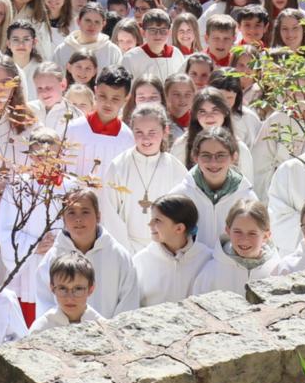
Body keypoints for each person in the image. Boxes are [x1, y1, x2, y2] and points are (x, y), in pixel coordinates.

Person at [31, 187, 140, 320]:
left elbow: (128, 303)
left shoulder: (118, 256)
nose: (78, 219)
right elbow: (45, 305)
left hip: (110, 336)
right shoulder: (52, 258)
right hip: (64, 337)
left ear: (98, 216)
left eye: (85, 212)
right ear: (63, 218)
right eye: (71, 212)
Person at [100, 103, 190, 252]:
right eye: (139, 132)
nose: (145, 138)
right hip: (126, 247)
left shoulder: (175, 168)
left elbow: (182, 212)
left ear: (165, 131)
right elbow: (110, 214)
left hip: (166, 248)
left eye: (152, 132)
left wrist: (169, 246)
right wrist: (125, 251)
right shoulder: (119, 166)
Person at [169, 126, 256, 249]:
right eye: (206, 155)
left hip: (231, 267)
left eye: (221, 155)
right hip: (190, 267)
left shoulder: (246, 198)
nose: (213, 162)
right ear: (195, 157)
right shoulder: (180, 196)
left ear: (233, 157)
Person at [133, 194, 213, 306]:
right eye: (151, 219)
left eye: (157, 220)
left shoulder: (207, 260)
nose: (149, 224)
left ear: (179, 228)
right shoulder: (141, 261)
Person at [190, 199, 279, 296]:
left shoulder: (276, 271)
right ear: (228, 231)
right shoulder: (211, 273)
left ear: (266, 236)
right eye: (238, 232)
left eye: (252, 233)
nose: (244, 239)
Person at [63, 67, 134, 179]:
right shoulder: (74, 129)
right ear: (95, 91)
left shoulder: (127, 138)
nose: (108, 104)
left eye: (115, 99)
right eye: (102, 96)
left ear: (126, 98)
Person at [29, 252, 107, 332]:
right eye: (62, 288)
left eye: (78, 289)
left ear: (91, 289)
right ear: (52, 288)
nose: (69, 298)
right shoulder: (40, 329)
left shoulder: (103, 327)